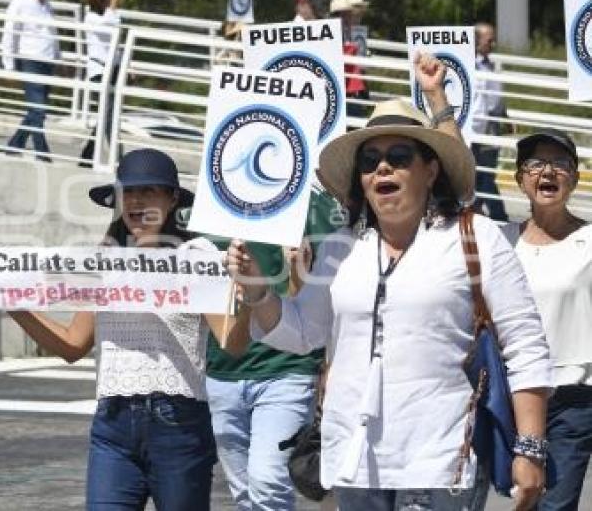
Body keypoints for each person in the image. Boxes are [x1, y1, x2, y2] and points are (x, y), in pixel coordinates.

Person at [226, 53, 552, 511]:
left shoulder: (475, 236)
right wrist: (258, 290)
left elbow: (525, 345)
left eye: (398, 157)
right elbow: (303, 334)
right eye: (370, 160)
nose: (382, 168)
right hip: (354, 463)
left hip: (440, 462)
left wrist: (531, 447)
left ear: (430, 169)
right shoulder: (341, 247)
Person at [0, 148, 245, 510]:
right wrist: (10, 300)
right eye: (128, 192)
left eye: (149, 191)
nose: (136, 200)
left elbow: (233, 343)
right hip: (112, 423)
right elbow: (72, 345)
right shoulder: (103, 259)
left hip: (177, 424)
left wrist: (246, 293)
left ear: (173, 198)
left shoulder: (197, 255)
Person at [206, 190, 341, 511]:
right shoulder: (215, 199)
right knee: (245, 495)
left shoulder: (322, 209)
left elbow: (327, 304)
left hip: (288, 372)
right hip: (222, 374)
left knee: (268, 484)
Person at [502, 130, 592, 511]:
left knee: (555, 506)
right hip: (510, 395)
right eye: (536, 164)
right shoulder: (502, 242)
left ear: (574, 177)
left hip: (572, 397)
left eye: (560, 163)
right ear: (521, 178)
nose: (548, 172)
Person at [4, 0, 59, 161]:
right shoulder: (19, 3)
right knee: (38, 109)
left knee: (36, 111)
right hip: (30, 60)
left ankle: (15, 144)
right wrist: (9, 65)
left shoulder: (46, 3)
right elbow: (9, 34)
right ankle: (42, 153)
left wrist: (57, 58)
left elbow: (53, 33)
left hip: (47, 60)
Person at [79, 0, 122, 166]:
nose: (107, 1)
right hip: (99, 70)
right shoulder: (91, 17)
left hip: (113, 69)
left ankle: (88, 155)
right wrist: (113, 3)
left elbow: (115, 43)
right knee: (108, 115)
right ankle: (118, 158)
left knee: (107, 116)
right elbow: (108, 28)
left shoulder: (109, 15)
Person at [471, 22, 509, 221]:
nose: (492, 43)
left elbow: (495, 95)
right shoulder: (470, 65)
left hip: (490, 125)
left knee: (486, 173)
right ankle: (497, 215)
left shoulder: (491, 64)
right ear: (476, 41)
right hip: (474, 127)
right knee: (481, 175)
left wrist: (505, 116)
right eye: (489, 40)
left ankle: (489, 215)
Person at [331, 0, 370, 121]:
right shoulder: (337, 33)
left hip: (353, 88)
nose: (359, 14)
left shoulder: (355, 33)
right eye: (356, 9)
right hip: (346, 88)